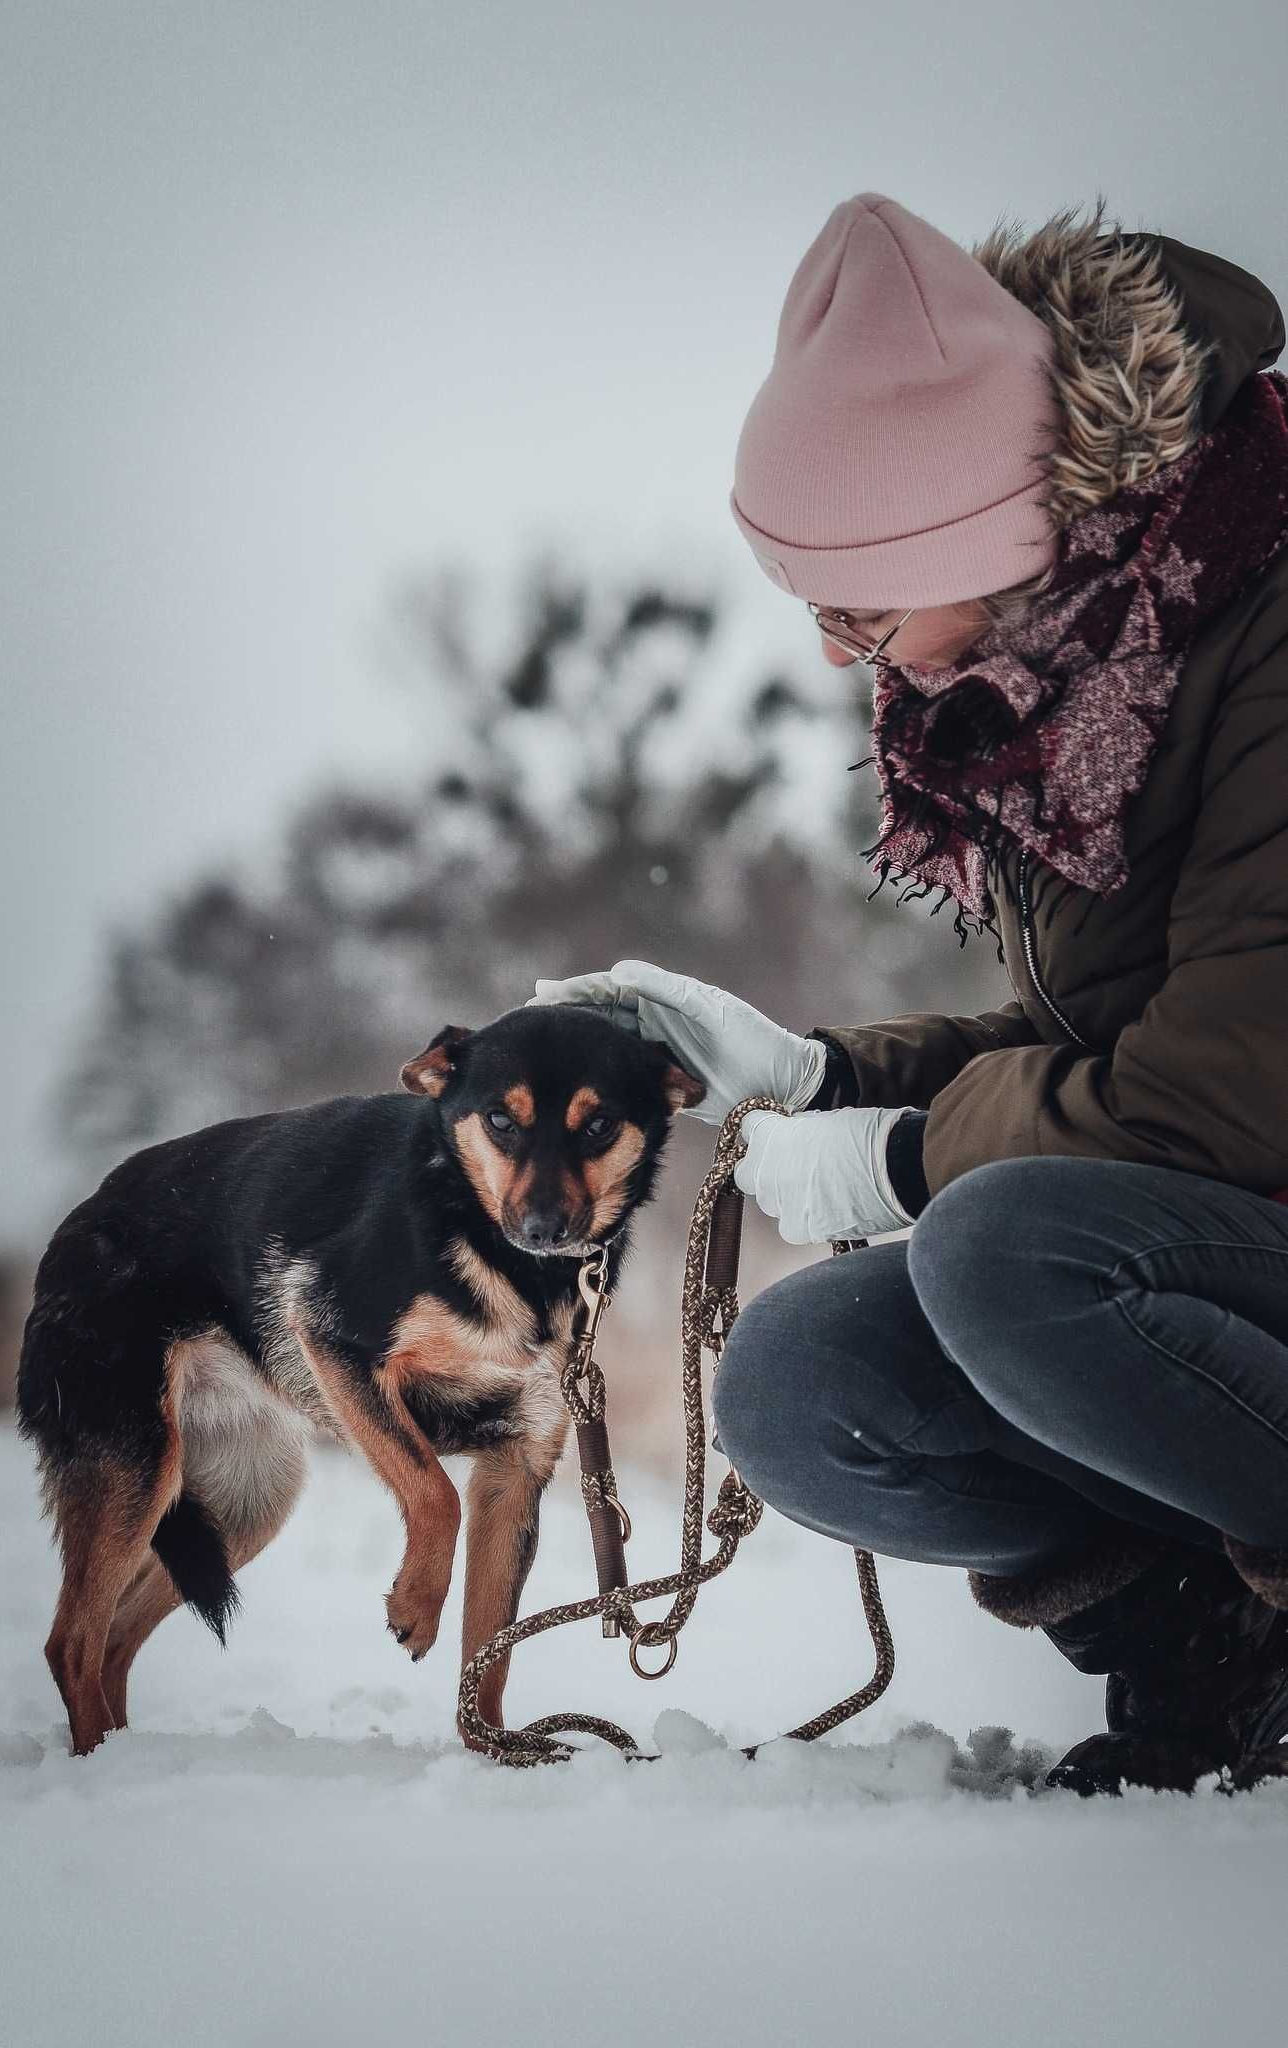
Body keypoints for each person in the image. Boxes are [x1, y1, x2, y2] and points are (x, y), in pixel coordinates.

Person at [529, 190, 1288, 1797]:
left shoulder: (1260, 643)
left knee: (1004, 1253)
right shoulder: (1082, 665)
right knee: (809, 1386)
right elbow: (1116, 1034)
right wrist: (818, 1078)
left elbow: (1235, 1083)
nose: (834, 659)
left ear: (999, 538)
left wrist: (895, 1159)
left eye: (860, 608)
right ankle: (1207, 1652)